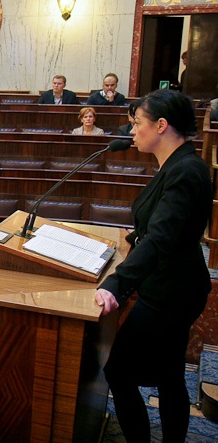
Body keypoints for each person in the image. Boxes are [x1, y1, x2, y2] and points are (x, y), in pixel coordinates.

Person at [94, 90, 211, 442]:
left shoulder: (185, 170)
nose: (132, 131)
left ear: (161, 125)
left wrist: (116, 284)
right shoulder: (177, 164)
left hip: (171, 291)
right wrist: (132, 238)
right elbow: (162, 225)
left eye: (137, 123)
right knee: (169, 375)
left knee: (120, 372)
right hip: (174, 283)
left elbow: (162, 237)